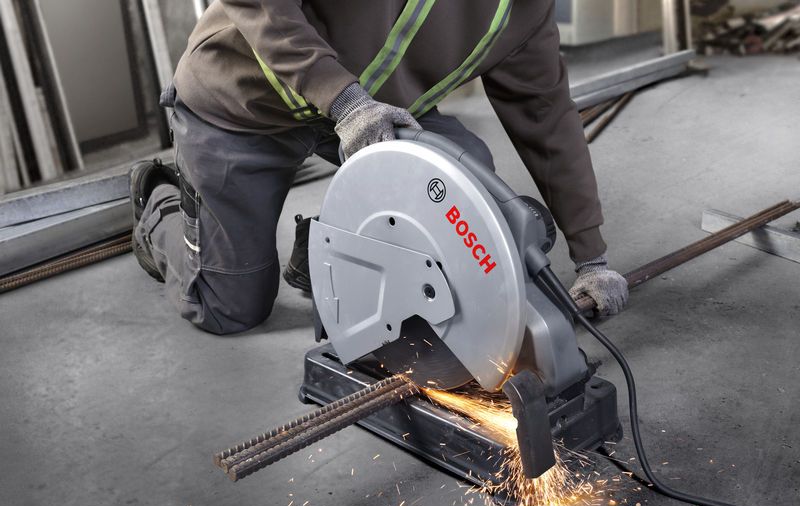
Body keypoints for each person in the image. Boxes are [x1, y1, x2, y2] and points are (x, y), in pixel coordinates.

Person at [130, 0, 628, 335]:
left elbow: (547, 119)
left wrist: (592, 257)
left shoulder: (524, 13)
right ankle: (160, 204)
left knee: (467, 184)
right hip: (240, 107)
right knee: (229, 308)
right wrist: (343, 101)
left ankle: (326, 250)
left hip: (371, 108)